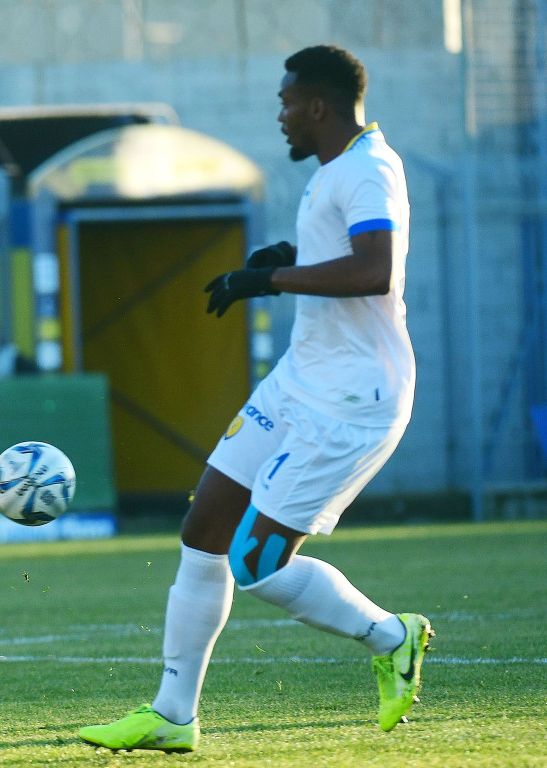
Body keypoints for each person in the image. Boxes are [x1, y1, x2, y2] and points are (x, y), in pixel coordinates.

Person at [78, 45, 432, 753]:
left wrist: (269, 283)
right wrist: (288, 261)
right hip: (301, 381)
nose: (280, 117)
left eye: (286, 103)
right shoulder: (337, 169)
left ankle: (394, 637)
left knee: (256, 563)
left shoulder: (368, 169)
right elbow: (344, 256)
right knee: (203, 530)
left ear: (319, 105)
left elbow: (374, 270)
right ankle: (173, 715)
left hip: (353, 400)